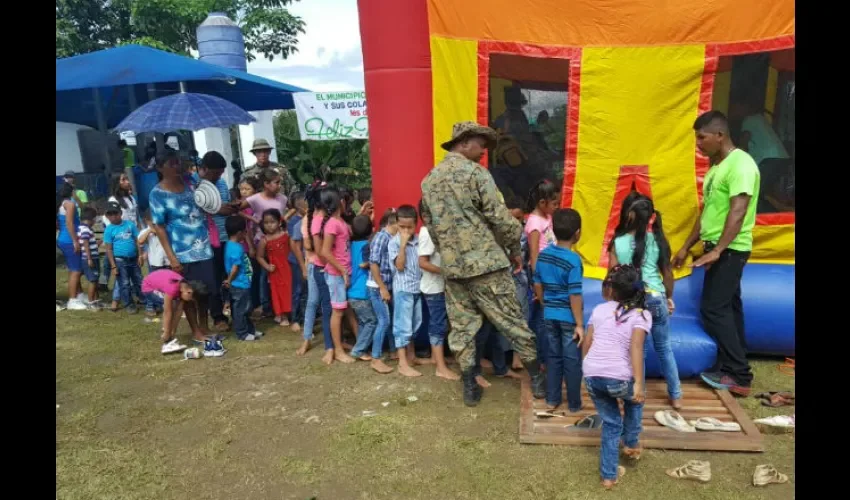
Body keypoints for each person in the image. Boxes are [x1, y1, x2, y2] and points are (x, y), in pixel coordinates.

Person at [421, 121, 545, 406]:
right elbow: (500, 217)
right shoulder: (476, 173)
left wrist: (451, 253)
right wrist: (515, 248)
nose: (484, 151)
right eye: (481, 144)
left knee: (462, 327)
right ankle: (537, 378)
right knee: (512, 321)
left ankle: (469, 386)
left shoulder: (429, 180)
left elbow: (430, 225)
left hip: (454, 269)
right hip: (488, 265)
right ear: (464, 142)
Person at [673, 111, 760, 397]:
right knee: (731, 309)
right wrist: (687, 246)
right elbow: (707, 213)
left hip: (731, 250)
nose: (698, 144)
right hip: (718, 249)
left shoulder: (741, 165)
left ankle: (739, 375)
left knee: (713, 309)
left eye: (702, 137)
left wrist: (719, 250)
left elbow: (739, 210)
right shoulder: (716, 168)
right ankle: (732, 366)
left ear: (719, 135)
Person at [608, 193, 682, 409]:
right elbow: (667, 274)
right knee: (664, 348)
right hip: (656, 297)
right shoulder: (657, 240)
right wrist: (668, 297)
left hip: (632, 303)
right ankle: (676, 395)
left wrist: (616, 305)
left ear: (628, 215)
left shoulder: (618, 242)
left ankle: (630, 393)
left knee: (632, 349)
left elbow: (612, 277)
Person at [581, 264, 650, 490]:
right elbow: (636, 348)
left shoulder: (600, 309)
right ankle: (630, 444)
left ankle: (608, 477)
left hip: (592, 375)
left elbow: (588, 343)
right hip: (619, 378)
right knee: (635, 400)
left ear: (612, 290)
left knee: (611, 423)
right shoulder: (641, 315)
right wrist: (639, 383)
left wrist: (586, 368)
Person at [148, 150, 217, 339]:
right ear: (161, 168)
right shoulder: (157, 194)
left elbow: (205, 204)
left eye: (178, 162)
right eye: (171, 163)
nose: (177, 166)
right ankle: (195, 330)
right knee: (188, 293)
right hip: (182, 252)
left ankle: (205, 326)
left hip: (203, 248)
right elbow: (160, 227)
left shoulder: (191, 184)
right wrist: (172, 257)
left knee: (205, 292)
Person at [533, 208, 584, 411]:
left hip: (549, 314)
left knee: (553, 357)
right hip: (568, 318)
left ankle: (552, 399)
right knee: (571, 360)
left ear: (552, 229)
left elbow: (537, 283)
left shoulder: (544, 256)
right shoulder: (573, 261)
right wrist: (579, 323)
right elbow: (574, 295)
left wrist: (545, 303)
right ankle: (573, 404)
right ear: (577, 233)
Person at [194, 151, 240, 331]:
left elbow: (226, 203)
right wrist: (216, 209)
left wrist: (232, 206)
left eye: (221, 173)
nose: (218, 176)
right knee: (212, 279)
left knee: (229, 275)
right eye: (215, 173)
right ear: (204, 169)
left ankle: (235, 311)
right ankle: (217, 316)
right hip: (206, 240)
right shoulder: (195, 186)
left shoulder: (221, 184)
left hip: (225, 236)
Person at [417, 201, 459, 381]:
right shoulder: (427, 232)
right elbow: (423, 262)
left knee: (442, 324)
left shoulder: (439, 230)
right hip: (434, 288)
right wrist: (445, 271)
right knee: (438, 325)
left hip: (442, 286)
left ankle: (438, 358)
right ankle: (440, 367)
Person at [240, 168, 289, 319]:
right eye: (276, 182)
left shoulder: (282, 198)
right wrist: (255, 220)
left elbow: (294, 207)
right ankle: (263, 305)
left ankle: (281, 305)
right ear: (266, 184)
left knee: (280, 273)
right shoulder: (255, 199)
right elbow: (238, 210)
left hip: (280, 242)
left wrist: (284, 219)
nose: (279, 185)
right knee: (262, 275)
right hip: (262, 241)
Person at [385, 205, 424, 377]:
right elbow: (399, 266)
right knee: (402, 326)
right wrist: (402, 246)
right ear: (396, 224)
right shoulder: (393, 243)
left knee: (415, 324)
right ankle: (402, 363)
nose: (406, 231)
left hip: (417, 288)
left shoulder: (418, 240)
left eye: (409, 227)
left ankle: (411, 356)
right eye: (402, 227)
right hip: (403, 290)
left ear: (416, 224)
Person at [318, 187, 356, 364]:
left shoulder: (339, 221)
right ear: (339, 202)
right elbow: (325, 251)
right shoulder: (332, 224)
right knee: (338, 312)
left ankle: (347, 344)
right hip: (336, 274)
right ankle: (338, 350)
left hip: (343, 272)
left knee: (344, 309)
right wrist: (341, 270)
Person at [525, 179, 559, 366]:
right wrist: (538, 278)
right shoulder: (535, 222)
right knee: (540, 317)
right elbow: (534, 253)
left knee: (545, 314)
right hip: (541, 275)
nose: (557, 207)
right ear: (542, 203)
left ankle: (544, 356)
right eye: (554, 203)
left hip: (550, 272)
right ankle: (538, 358)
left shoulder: (547, 217)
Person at [297, 183, 330, 357]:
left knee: (323, 303)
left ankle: (327, 339)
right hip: (316, 265)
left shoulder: (321, 218)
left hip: (322, 264)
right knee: (314, 302)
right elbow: (308, 246)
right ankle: (307, 338)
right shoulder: (309, 220)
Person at [364, 208, 399, 373]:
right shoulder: (381, 238)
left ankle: (393, 352)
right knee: (383, 321)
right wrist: (383, 288)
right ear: (393, 223)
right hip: (378, 288)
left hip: (386, 286)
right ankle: (376, 358)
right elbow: (373, 264)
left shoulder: (390, 237)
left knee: (389, 320)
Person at [141, 269, 206, 353]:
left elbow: (179, 311)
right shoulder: (172, 288)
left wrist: (173, 331)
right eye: (192, 300)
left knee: (177, 306)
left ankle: (170, 337)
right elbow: (167, 312)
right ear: (189, 292)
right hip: (149, 287)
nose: (190, 301)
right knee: (171, 307)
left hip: (161, 283)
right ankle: (166, 343)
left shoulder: (183, 286)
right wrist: (168, 332)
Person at [223, 216, 263, 341]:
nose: (246, 234)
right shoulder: (236, 248)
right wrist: (229, 280)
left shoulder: (230, 245)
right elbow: (235, 268)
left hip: (243, 283)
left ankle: (250, 330)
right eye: (245, 231)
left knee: (246, 308)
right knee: (241, 309)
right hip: (239, 284)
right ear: (240, 233)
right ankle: (242, 333)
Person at [104, 201, 143, 314]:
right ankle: (129, 304)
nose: (113, 216)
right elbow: (109, 249)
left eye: (115, 213)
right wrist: (113, 266)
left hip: (133, 259)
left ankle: (144, 300)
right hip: (119, 261)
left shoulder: (130, 225)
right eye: (110, 214)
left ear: (120, 213)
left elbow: (138, 241)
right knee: (124, 284)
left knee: (139, 280)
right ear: (107, 216)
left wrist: (140, 255)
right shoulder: (109, 230)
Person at [348, 216, 378, 361]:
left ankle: (363, 349)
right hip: (363, 293)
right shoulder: (369, 245)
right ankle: (358, 350)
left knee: (364, 322)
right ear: (371, 230)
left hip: (352, 292)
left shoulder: (352, 244)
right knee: (372, 321)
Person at [256, 209, 292, 327]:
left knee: (290, 289)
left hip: (288, 266)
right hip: (275, 270)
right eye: (266, 223)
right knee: (278, 292)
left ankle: (291, 312)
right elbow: (259, 257)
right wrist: (267, 266)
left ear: (279, 222)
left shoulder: (286, 235)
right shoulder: (264, 240)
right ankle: (282, 315)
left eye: (272, 222)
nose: (269, 225)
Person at [57, 183, 86, 310]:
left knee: (74, 268)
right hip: (69, 240)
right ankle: (72, 300)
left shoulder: (61, 204)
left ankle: (79, 294)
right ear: (72, 192)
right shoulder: (70, 204)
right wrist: (75, 241)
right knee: (76, 271)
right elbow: (69, 223)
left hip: (63, 238)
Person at [287, 192, 308, 333]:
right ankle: (295, 319)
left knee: (306, 292)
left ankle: (305, 318)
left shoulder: (309, 220)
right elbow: (295, 246)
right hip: (297, 261)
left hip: (307, 261)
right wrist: (302, 265)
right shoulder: (294, 222)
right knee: (298, 291)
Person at [77, 207, 100, 306]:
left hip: (88, 257)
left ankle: (95, 299)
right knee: (93, 280)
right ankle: (91, 302)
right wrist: (89, 258)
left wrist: (96, 243)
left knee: (94, 278)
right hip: (90, 258)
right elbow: (86, 243)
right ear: (92, 219)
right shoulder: (86, 229)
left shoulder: (80, 228)